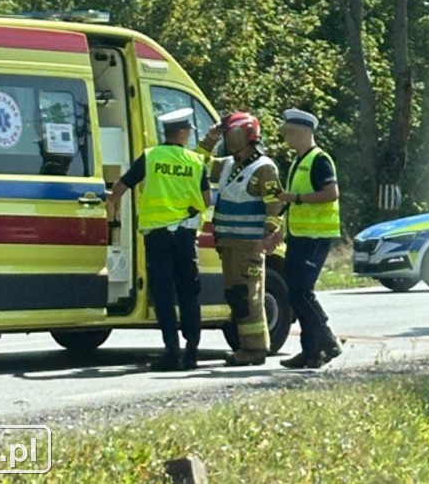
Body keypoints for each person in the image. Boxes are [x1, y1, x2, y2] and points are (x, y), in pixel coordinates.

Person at [108, 108, 210, 371]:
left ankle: (171, 351)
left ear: (166, 132)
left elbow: (122, 186)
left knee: (164, 294)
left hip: (158, 236)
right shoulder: (196, 161)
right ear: (184, 132)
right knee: (189, 293)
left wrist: (111, 207)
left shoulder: (151, 157)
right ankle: (192, 352)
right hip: (186, 236)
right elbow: (207, 200)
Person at [200, 112, 283, 367]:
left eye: (231, 133)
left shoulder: (264, 167)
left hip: (249, 244)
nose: (228, 139)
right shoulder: (228, 165)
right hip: (228, 243)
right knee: (236, 295)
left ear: (248, 135)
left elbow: (274, 205)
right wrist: (208, 140)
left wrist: (267, 237)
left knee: (249, 295)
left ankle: (256, 348)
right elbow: (197, 165)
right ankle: (246, 346)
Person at [277, 108, 344, 369]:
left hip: (316, 236)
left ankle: (326, 341)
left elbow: (331, 193)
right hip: (299, 235)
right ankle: (311, 352)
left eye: (290, 133)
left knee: (302, 291)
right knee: (296, 293)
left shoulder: (319, 160)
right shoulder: (298, 161)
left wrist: (296, 199)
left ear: (304, 132)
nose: (286, 138)